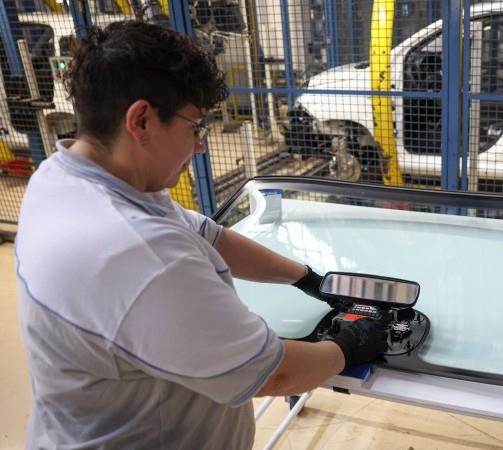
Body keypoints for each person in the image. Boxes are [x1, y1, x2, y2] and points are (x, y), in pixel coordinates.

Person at [14, 21, 387, 449]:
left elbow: (209, 235)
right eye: (194, 127)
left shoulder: (64, 178)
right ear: (141, 121)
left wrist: (305, 277)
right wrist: (348, 345)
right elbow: (275, 372)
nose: (200, 146)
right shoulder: (138, 253)